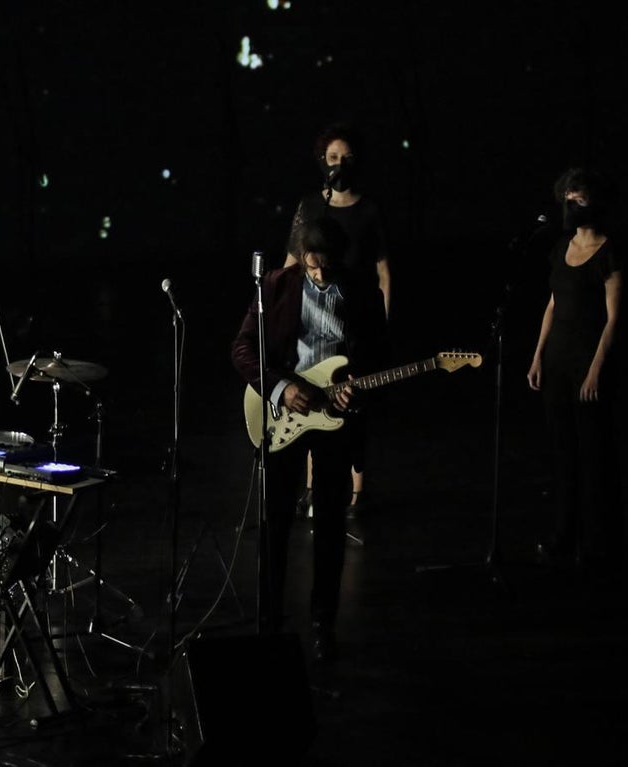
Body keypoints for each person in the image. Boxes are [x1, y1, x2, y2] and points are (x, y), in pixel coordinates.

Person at [232, 217, 388, 661]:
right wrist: (282, 388)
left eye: (326, 266)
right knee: (275, 521)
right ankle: (269, 620)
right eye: (311, 266)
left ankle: (323, 622)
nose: (319, 275)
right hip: (287, 412)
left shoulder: (362, 291)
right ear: (301, 258)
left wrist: (357, 386)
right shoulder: (276, 285)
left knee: (331, 524)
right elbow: (242, 348)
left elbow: (380, 351)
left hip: (336, 418)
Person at [283, 121, 392, 518]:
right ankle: (314, 488)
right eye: (332, 158)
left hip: (355, 320)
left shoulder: (369, 210)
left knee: (353, 404)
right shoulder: (311, 206)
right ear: (321, 160)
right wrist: (281, 311)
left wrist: (383, 324)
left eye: (346, 158)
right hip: (314, 320)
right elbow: (292, 262)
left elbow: (383, 272)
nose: (338, 165)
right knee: (316, 402)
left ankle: (357, 492)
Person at [526, 166, 623, 581]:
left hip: (587, 364)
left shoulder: (609, 252)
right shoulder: (560, 248)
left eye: (580, 198)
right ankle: (563, 536)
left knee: (593, 457)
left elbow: (614, 319)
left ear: (594, 201)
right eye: (568, 198)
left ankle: (597, 544)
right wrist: (537, 355)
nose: (572, 204)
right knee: (563, 455)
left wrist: (596, 370)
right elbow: (552, 305)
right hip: (557, 363)